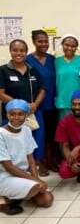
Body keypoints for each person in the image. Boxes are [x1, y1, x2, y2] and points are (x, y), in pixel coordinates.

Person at [0, 99, 53, 215]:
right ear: (7, 114)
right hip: (5, 176)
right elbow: (9, 167)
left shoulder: (26, 130)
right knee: (35, 187)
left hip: (23, 174)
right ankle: (7, 197)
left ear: (26, 115)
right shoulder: (1, 134)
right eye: (12, 114)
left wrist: (36, 178)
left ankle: (18, 194)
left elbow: (30, 159)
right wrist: (36, 182)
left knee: (47, 200)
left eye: (20, 114)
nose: (16, 117)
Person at [0, 40, 46, 170]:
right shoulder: (3, 70)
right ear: (10, 52)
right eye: (15, 50)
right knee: (14, 146)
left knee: (36, 144)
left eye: (22, 50)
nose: (18, 53)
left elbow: (42, 90)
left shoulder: (33, 70)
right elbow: (0, 93)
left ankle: (34, 170)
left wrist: (35, 104)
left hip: (33, 113)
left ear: (26, 52)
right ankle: (17, 173)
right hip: (12, 115)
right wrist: (20, 106)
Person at [26, 30, 60, 175]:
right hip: (36, 105)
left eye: (46, 41)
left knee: (53, 134)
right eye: (40, 41)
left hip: (53, 102)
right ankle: (41, 163)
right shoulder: (28, 60)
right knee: (40, 135)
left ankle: (52, 161)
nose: (43, 44)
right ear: (34, 42)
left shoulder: (53, 59)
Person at [55, 34, 80, 120]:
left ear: (76, 47)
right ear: (62, 45)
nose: (69, 48)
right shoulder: (57, 61)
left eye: (73, 46)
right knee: (64, 129)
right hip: (62, 102)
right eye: (67, 45)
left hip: (79, 102)